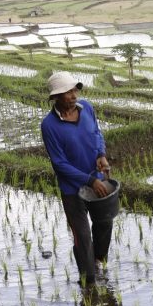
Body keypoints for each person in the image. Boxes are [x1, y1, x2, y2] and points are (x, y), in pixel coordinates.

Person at [41, 73, 111, 285]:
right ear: (56, 98)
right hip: (73, 190)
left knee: (105, 223)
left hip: (96, 180)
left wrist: (101, 154)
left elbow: (97, 133)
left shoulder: (87, 107)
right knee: (82, 237)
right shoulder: (49, 125)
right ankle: (88, 282)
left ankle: (98, 262)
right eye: (67, 92)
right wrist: (90, 181)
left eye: (74, 90)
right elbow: (59, 164)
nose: (73, 96)